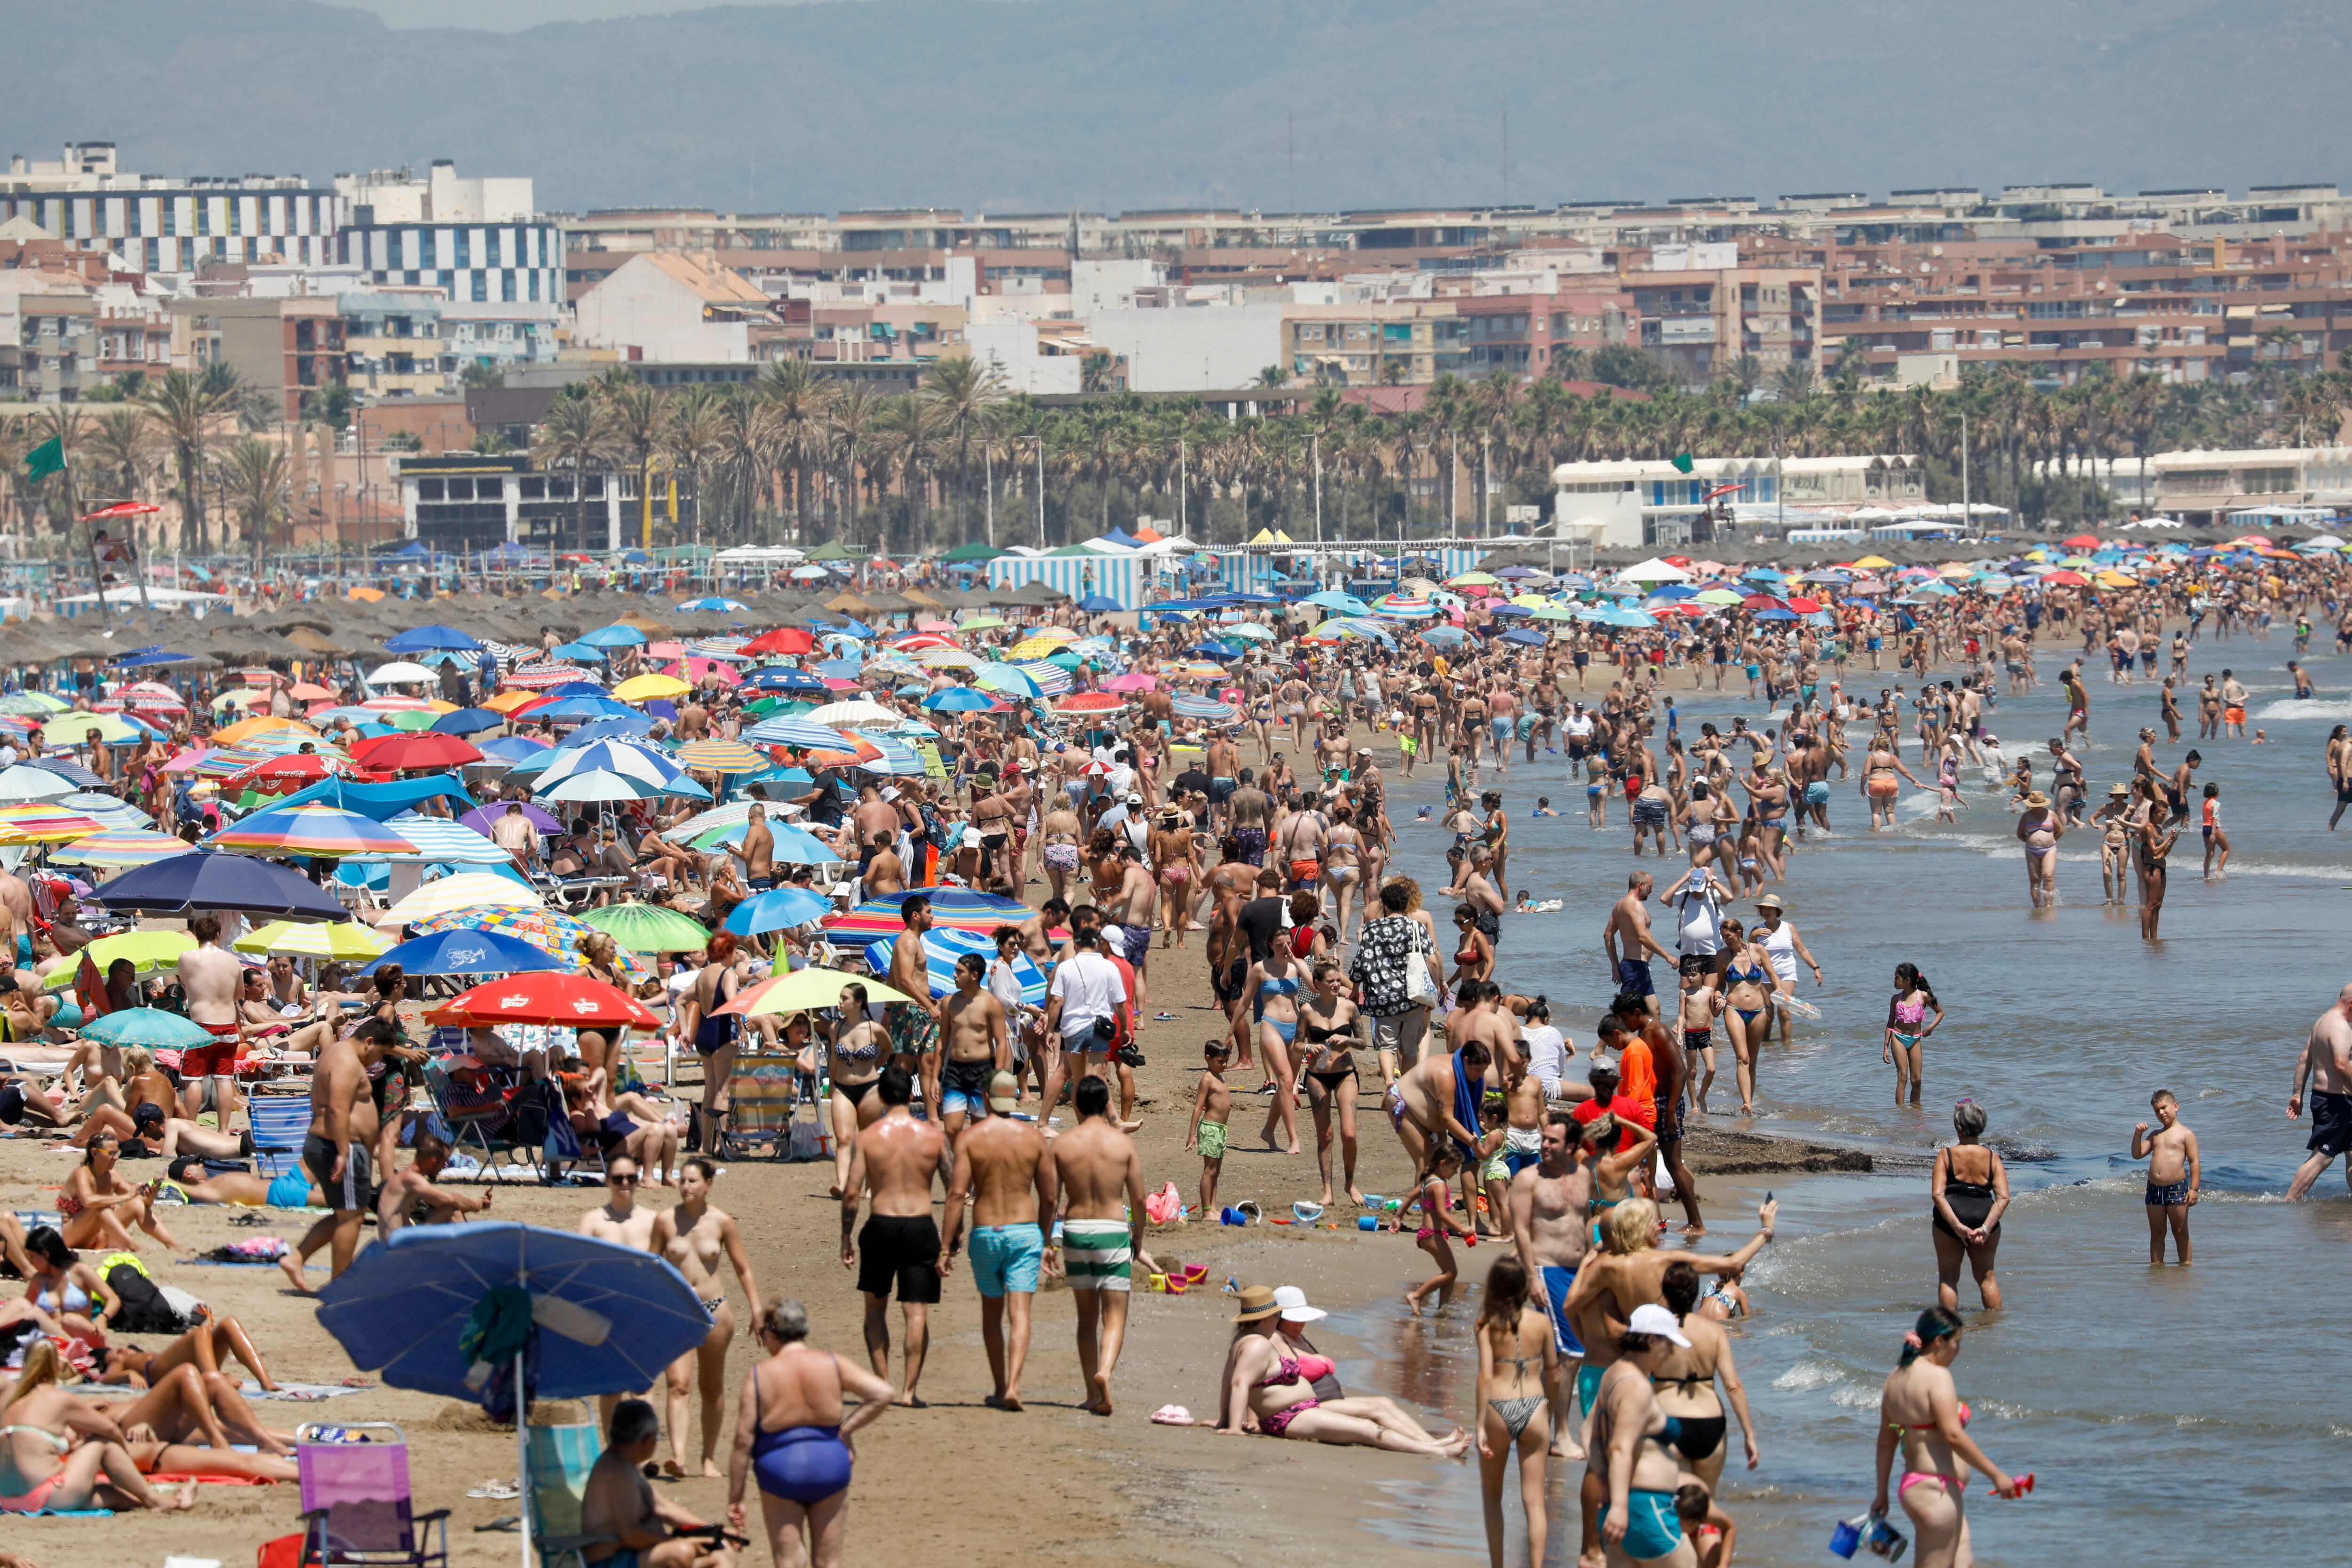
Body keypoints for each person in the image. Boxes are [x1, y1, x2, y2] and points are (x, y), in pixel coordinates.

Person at [723, 1298, 893, 1568]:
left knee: (789, 1561)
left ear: (772, 1334)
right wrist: (846, 1430)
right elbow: (883, 1393)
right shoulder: (833, 1363)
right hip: (830, 1464)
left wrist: (736, 1498)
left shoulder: (759, 1375)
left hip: (781, 1468)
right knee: (829, 1562)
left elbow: (743, 1441)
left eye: (763, 1333)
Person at [1216, 1284, 1469, 1456]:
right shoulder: (1257, 1345)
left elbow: (1229, 1381)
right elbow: (1239, 1384)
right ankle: (1436, 1451)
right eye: (1277, 1314)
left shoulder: (1248, 1340)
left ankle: (1433, 1442)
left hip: (1304, 1409)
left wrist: (1225, 1421)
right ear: (1266, 1318)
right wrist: (1235, 1426)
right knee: (1367, 1429)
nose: (1279, 1318)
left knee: (1380, 1405)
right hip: (1289, 1418)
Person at [938, 1071, 1056, 1412]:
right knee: (1020, 1313)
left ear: (986, 1098)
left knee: (992, 1313)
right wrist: (1046, 1240)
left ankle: (1000, 1386)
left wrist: (946, 1246)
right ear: (1014, 1098)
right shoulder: (1034, 1139)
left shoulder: (970, 1139)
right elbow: (1049, 1197)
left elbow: (957, 1194)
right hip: (1024, 1232)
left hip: (986, 1232)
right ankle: (1015, 1386)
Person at [1871, 1308, 2022, 1568]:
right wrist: (1997, 1475)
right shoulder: (1938, 1377)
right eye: (1957, 1343)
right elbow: (1953, 1436)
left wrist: (1882, 1494)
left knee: (1964, 1564)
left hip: (1921, 1488)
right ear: (1940, 1341)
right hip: (1936, 1492)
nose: (1958, 1351)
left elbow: (1886, 1443)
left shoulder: (1894, 1379)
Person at [839, 1066, 944, 1408]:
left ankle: (883, 1385)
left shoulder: (868, 1138)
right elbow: (955, 1186)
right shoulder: (932, 1137)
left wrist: (846, 1236)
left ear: (881, 1097)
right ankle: (909, 1392)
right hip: (920, 1224)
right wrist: (952, 1238)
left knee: (875, 1308)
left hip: (881, 1224)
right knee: (916, 1312)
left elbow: (852, 1192)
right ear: (912, 1095)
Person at [1049, 1074, 1152, 1416]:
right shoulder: (1122, 1144)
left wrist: (1047, 1240)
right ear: (1107, 1103)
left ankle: (1092, 1395)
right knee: (1115, 1316)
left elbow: (1051, 1199)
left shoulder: (1062, 1144)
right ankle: (1104, 1372)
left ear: (1076, 1104)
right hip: (1112, 1230)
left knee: (1086, 1319)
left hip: (1076, 1231)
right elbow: (1139, 1198)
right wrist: (1138, 1236)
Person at [654, 1158, 762, 1480]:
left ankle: (709, 1459)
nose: (686, 1186)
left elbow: (743, 1269)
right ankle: (679, 1456)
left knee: (712, 1387)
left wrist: (756, 1310)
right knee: (678, 1385)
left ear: (708, 1185)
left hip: (715, 1309)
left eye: (693, 1181)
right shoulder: (665, 1220)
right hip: (677, 1312)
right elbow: (649, 1266)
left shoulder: (722, 1222)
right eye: (682, 1180)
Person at [0, 1342, 195, 1516]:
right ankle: (155, 1500)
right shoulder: (57, 1398)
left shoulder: (12, 1403)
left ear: (25, 1366)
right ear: (57, 1367)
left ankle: (169, 1501)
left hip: (10, 1501)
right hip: (48, 1495)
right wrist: (127, 1460)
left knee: (110, 1494)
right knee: (103, 1443)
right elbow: (110, 1429)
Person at [280, 1017, 396, 1294]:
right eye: (380, 1053)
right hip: (337, 1145)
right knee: (352, 1217)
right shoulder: (346, 1060)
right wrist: (344, 1152)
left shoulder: (336, 1052)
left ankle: (297, 1259)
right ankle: (340, 1286)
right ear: (369, 1042)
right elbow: (338, 1109)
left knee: (347, 1213)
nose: (378, 1060)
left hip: (332, 1144)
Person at [1591, 1303, 1701, 1568]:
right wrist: (1620, 1506)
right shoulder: (1637, 1387)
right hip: (1645, 1509)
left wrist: (1605, 1481)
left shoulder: (1612, 1375)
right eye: (1669, 1344)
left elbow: (1591, 1437)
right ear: (1651, 1340)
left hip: (1624, 1505)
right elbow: (1620, 1447)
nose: (1672, 1352)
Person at [1475, 1254, 1560, 1568]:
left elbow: (1485, 1376)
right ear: (1524, 1287)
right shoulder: (1542, 1323)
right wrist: (1549, 1413)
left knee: (1492, 1495)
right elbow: (1554, 1374)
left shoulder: (1486, 1325)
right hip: (1535, 1407)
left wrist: (1479, 1424)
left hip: (1498, 1408)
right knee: (1535, 1501)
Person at [580, 1398, 736, 1568]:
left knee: (723, 1553)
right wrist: (677, 1541)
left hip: (639, 1557)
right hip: (612, 1561)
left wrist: (715, 1531)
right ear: (647, 1442)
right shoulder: (616, 1470)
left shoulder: (627, 1465)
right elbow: (631, 1535)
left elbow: (663, 1507)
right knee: (681, 1552)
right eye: (657, 1437)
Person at [1651, 1262, 1759, 1496]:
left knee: (1672, 1503)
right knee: (1704, 1504)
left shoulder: (1656, 1331)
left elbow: (1636, 1378)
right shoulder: (1714, 1331)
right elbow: (1733, 1386)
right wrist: (1749, 1435)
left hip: (1669, 1421)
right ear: (1696, 1292)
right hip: (1710, 1424)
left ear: (1665, 1292)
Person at [1931, 1099, 2008, 1311]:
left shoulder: (1946, 1155)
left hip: (1950, 1220)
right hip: (1984, 1216)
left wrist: (1957, 1227)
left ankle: (1948, 1326)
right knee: (1987, 1276)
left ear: (1958, 1127)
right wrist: (1985, 1229)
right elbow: (2003, 1198)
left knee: (1948, 1277)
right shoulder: (1993, 1158)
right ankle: (1993, 1324)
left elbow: (1938, 1195)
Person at [2287, 982, 2352, 1199]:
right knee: (2324, 1156)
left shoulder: (2323, 1021)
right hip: (2336, 1102)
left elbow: (2305, 1056)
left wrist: (2297, 1095)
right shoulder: (2340, 1026)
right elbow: (2341, 1064)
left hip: (2336, 1100)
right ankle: (2289, 1201)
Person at [2131, 1088, 2199, 1264]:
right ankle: (2156, 1268)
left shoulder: (2186, 1134)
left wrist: (2194, 1189)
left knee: (2180, 1232)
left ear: (2175, 1107)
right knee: (2157, 1234)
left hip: (2176, 1188)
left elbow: (2194, 1162)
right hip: (2154, 1189)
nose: (2161, 1113)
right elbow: (2137, 1154)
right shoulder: (2155, 1135)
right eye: (2157, 1111)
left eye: (2164, 1108)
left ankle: (2186, 1266)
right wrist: (2138, 1134)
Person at [1882, 963, 1942, 1108]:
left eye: (1897, 977)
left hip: (1915, 1040)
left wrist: (1931, 1028)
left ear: (1907, 980)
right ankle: (1901, 1112)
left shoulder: (1923, 996)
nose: (1894, 980)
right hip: (1898, 1038)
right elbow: (1890, 1024)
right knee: (1903, 1077)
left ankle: (1915, 1111)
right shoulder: (1896, 999)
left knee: (1917, 1080)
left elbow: (1940, 1012)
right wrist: (1886, 1047)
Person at [1185, 1038, 1233, 1220]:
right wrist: (1192, 1134)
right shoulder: (1207, 1079)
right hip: (1210, 1128)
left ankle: (1213, 1208)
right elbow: (1198, 1107)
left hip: (1221, 1129)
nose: (1224, 1065)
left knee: (1216, 1171)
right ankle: (1207, 1211)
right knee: (1210, 1170)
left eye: (1226, 1061)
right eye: (1220, 1062)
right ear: (1208, 1059)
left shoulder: (1220, 1076)